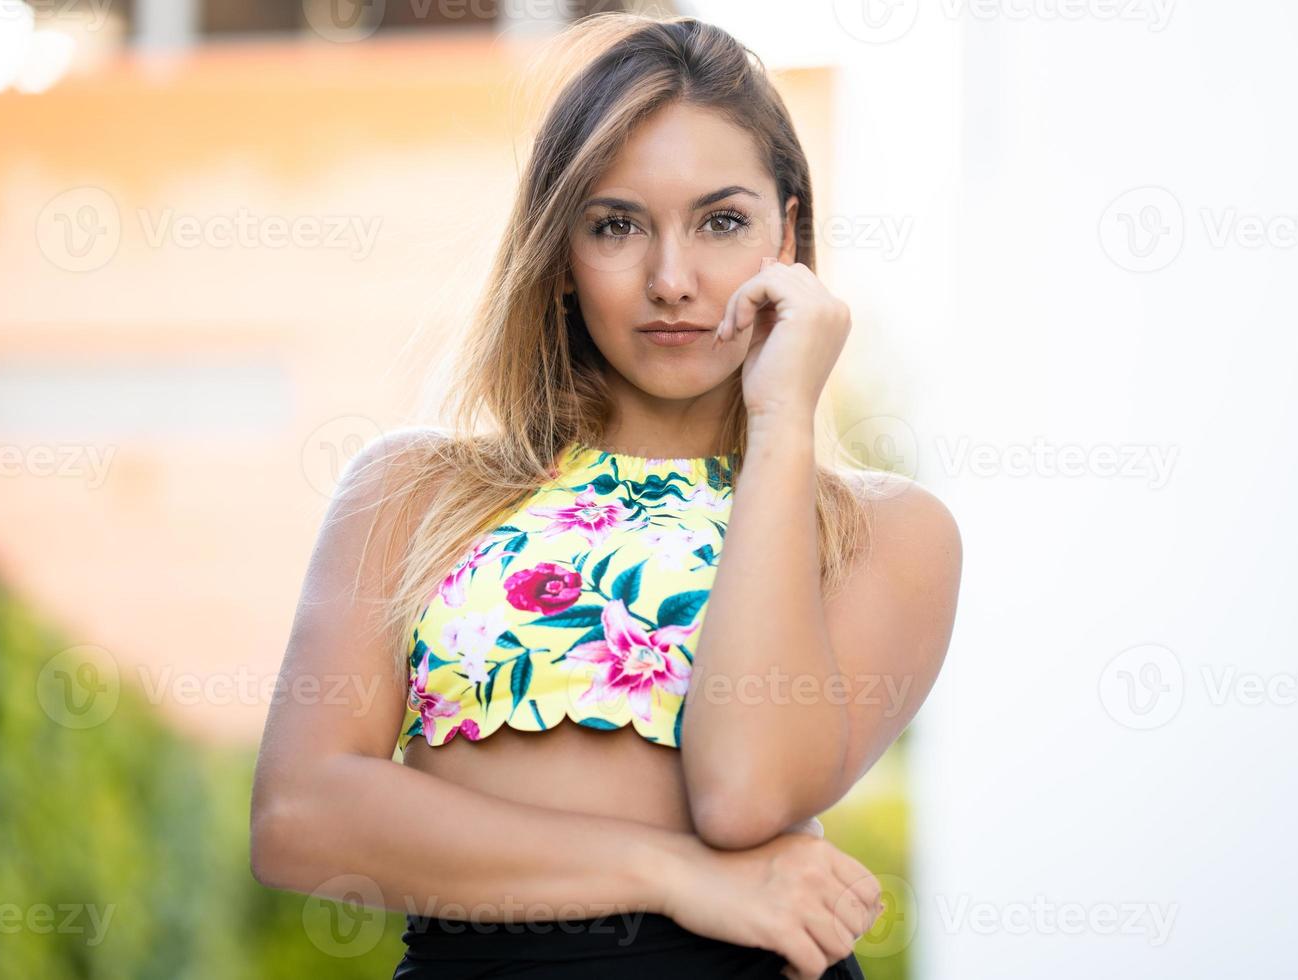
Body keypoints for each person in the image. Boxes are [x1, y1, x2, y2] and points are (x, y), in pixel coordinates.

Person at [249, 12, 961, 980]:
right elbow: (302, 816)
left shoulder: (880, 531)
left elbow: (745, 793)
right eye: (617, 224)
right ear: (562, 254)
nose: (672, 279)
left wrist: (783, 417)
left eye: (722, 221)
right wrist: (672, 873)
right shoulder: (417, 492)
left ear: (786, 235)